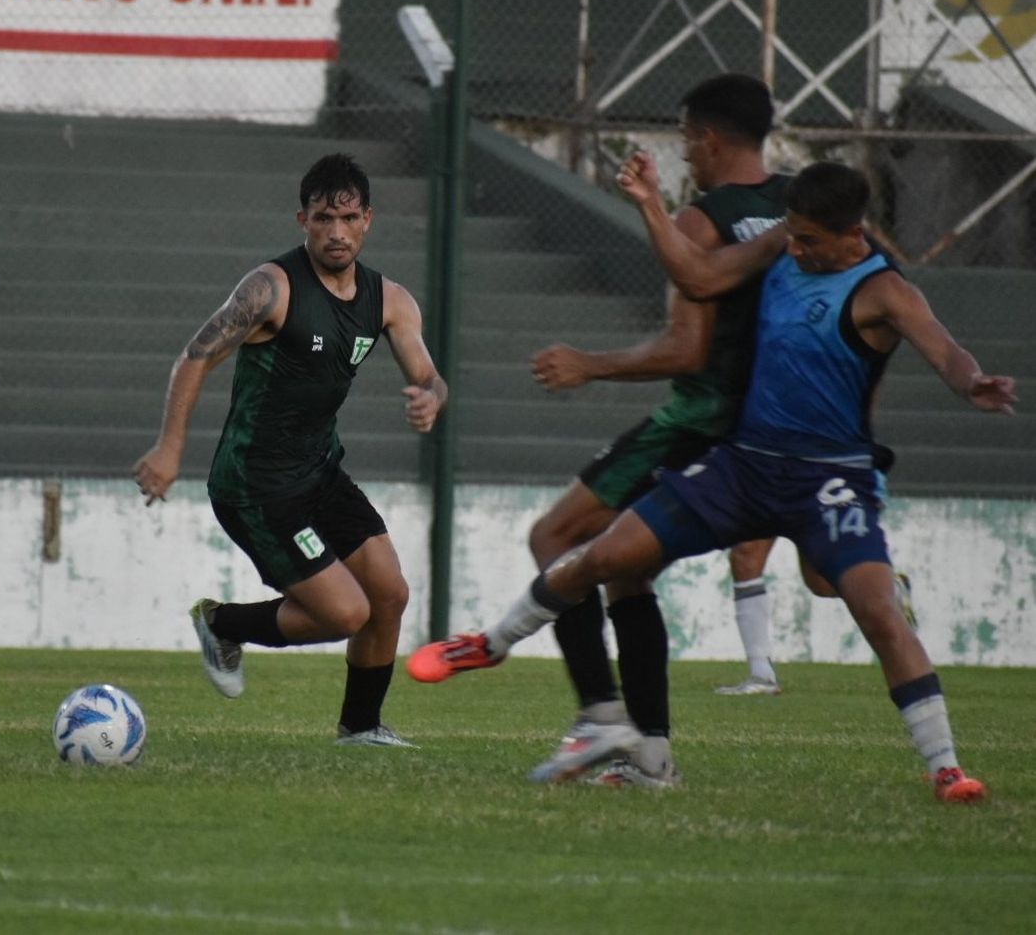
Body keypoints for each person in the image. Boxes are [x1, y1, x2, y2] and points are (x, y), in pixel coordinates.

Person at [417, 159, 1014, 802]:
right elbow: (699, 275)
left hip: (830, 481)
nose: (798, 249)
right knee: (606, 555)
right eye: (794, 234)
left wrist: (971, 381)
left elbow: (946, 349)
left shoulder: (887, 291)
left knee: (877, 609)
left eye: (811, 239)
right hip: (743, 464)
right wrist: (649, 203)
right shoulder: (782, 244)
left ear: (854, 232)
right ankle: (492, 643)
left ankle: (947, 769)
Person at [409, 73, 790, 787]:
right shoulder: (793, 208)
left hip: (699, 415)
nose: (685, 155)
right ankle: (653, 755)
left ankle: (599, 716)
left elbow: (687, 350)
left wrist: (589, 363)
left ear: (708, 138)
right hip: (768, 420)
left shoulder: (703, 222)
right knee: (628, 569)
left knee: (555, 537)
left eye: (685, 141)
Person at [133, 153, 447, 746]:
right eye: (324, 217)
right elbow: (195, 355)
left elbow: (431, 375)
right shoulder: (271, 289)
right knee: (345, 614)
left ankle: (361, 729)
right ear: (302, 219)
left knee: (390, 594)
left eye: (348, 218)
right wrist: (170, 448)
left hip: (320, 472)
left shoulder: (390, 301)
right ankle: (221, 623)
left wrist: (432, 397)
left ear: (367, 221)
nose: (336, 232)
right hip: (256, 483)